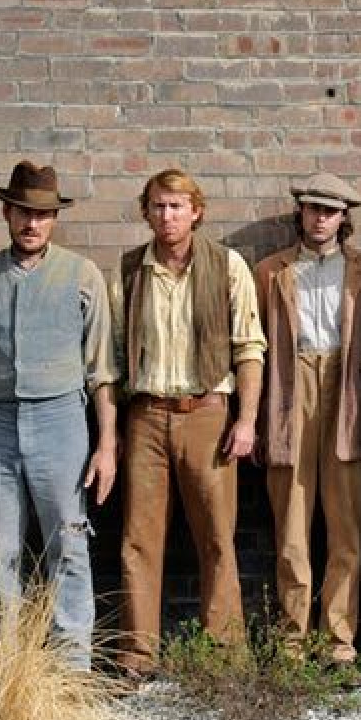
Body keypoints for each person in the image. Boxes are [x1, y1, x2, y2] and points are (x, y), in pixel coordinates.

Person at [0, 161, 119, 670]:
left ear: (55, 218)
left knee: (69, 542)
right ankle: (5, 667)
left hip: (62, 422)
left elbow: (102, 370)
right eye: (23, 212)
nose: (32, 224)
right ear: (6, 211)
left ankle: (72, 671)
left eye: (42, 214)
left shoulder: (81, 274)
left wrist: (106, 445)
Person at [110, 168, 267, 678]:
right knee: (138, 538)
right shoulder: (131, 269)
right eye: (158, 206)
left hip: (208, 415)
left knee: (218, 536)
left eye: (177, 206)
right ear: (146, 211)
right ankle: (137, 654)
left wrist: (246, 420)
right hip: (147, 415)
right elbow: (113, 357)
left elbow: (250, 349)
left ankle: (223, 655)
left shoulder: (227, 265)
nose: (167, 215)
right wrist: (110, 434)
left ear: (196, 211)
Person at [254, 173, 361, 668]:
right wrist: (261, 422)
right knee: (291, 523)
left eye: (330, 211)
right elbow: (258, 354)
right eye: (313, 209)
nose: (321, 218)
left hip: (347, 390)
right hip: (290, 391)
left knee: (345, 523)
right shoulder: (272, 271)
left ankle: (339, 642)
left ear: (345, 216)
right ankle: (291, 640)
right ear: (300, 213)